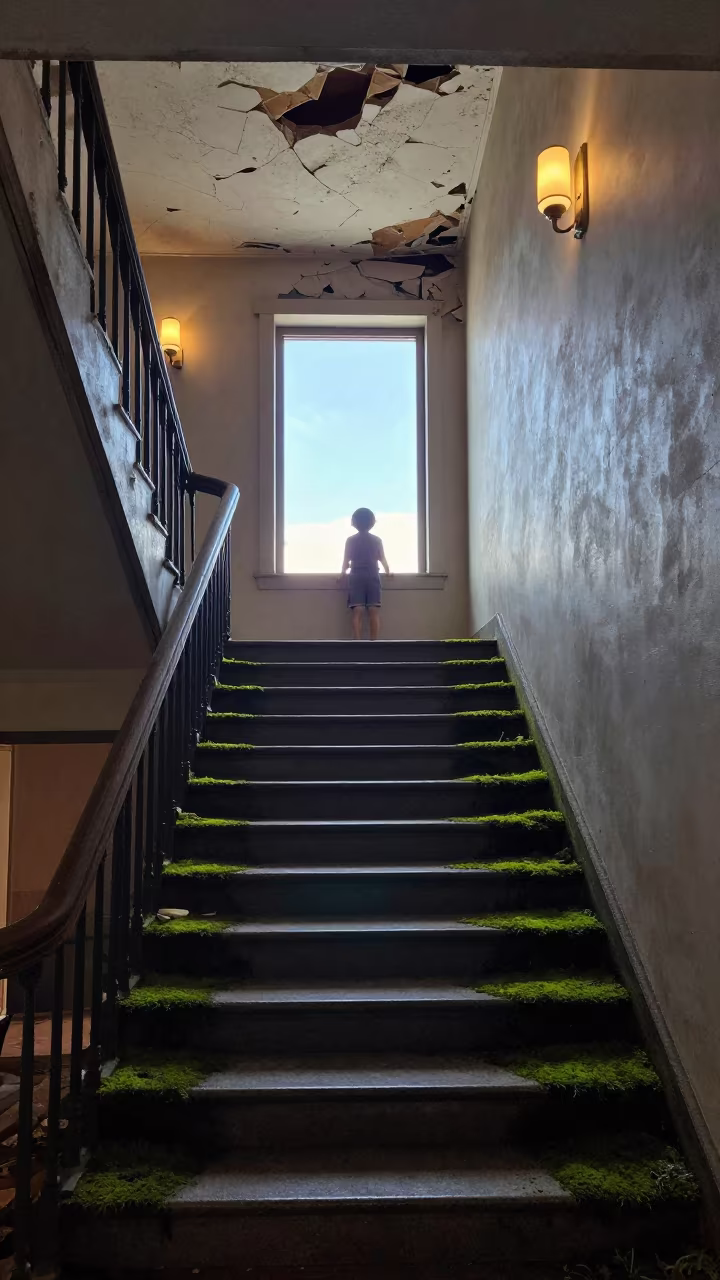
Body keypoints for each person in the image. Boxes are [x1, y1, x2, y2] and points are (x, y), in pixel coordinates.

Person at [340, 508, 390, 640]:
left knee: (357, 611)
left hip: (356, 576)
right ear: (372, 522)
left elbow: (346, 561)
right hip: (373, 575)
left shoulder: (350, 540)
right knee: (374, 611)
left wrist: (342, 574)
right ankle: (374, 642)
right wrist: (388, 571)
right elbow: (382, 558)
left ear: (354, 522)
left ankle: (357, 641)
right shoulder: (377, 540)